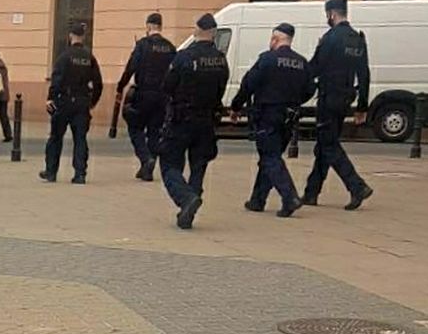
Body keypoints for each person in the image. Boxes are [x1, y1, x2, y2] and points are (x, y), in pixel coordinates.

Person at [230, 23, 315, 217]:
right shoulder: (302, 63)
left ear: (275, 39)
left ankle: (290, 196)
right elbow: (310, 89)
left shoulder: (267, 59)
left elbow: (248, 84)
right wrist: (294, 101)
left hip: (268, 114)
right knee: (271, 158)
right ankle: (257, 200)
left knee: (270, 157)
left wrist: (236, 107)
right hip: (289, 116)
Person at [158, 13, 229, 229]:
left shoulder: (184, 57)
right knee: (199, 165)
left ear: (197, 30)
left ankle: (186, 198)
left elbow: (168, 86)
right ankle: (190, 206)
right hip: (206, 120)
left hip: (181, 119)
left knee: (169, 164)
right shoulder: (220, 59)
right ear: (214, 34)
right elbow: (221, 88)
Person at [303, 0, 374, 211]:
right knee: (325, 144)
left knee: (329, 144)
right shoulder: (357, 39)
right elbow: (364, 74)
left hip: (328, 97)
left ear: (332, 14)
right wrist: (362, 106)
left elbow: (315, 68)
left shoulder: (330, 39)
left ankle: (357, 186)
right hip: (345, 99)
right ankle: (311, 192)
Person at [116, 12, 176, 181]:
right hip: (163, 96)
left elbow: (131, 67)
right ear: (161, 27)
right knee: (155, 131)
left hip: (143, 94)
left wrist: (121, 87)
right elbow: (175, 73)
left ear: (148, 26)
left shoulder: (143, 45)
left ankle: (145, 158)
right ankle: (147, 169)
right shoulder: (170, 47)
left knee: (135, 127)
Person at [40, 22, 103, 185]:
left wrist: (50, 98)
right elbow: (98, 83)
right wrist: (92, 102)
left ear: (70, 36)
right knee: (80, 138)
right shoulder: (90, 58)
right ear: (83, 37)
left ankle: (51, 172)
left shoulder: (64, 56)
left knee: (56, 137)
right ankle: (80, 174)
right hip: (82, 102)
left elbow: (57, 79)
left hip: (64, 101)